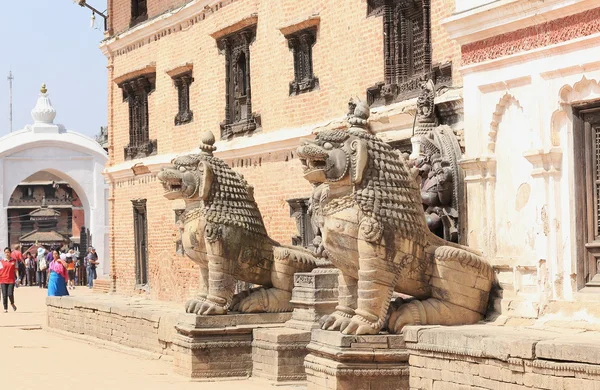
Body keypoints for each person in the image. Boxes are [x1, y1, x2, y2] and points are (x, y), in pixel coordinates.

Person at [0, 247, 17, 313]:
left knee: (10, 294)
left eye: (8, 252)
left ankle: (12, 303)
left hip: (11, 280)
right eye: (5, 252)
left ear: (10, 253)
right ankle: (5, 308)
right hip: (3, 280)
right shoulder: (1, 262)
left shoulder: (14, 261)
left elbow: (16, 270)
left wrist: (18, 278)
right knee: (4, 295)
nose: (7, 254)